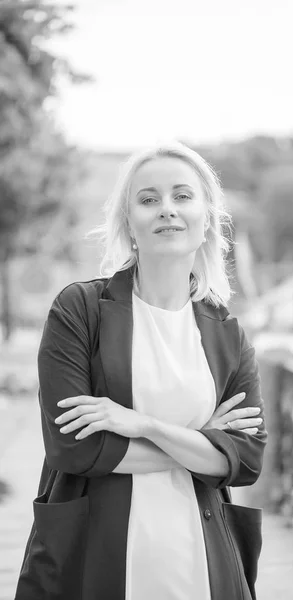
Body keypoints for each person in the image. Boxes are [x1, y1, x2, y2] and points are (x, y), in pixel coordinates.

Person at [15, 142, 268, 600]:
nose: (166, 210)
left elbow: (246, 460)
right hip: (94, 559)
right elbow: (74, 447)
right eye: (148, 199)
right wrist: (202, 443)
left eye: (182, 196)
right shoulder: (79, 310)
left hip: (201, 563)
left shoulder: (229, 337)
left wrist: (143, 425)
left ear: (206, 216)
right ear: (129, 222)